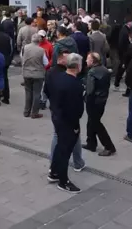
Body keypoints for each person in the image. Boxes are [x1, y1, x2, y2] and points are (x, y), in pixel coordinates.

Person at [45, 53, 85, 194]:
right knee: (65, 151)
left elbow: (48, 92)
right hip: (68, 121)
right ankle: (63, 181)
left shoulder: (57, 77)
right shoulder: (76, 84)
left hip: (57, 116)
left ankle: (54, 172)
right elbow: (77, 108)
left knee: (60, 146)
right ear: (78, 66)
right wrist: (75, 125)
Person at [83, 52, 116, 156]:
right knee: (91, 122)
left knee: (96, 123)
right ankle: (91, 143)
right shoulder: (104, 69)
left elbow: (90, 90)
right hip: (102, 99)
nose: (86, 61)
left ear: (92, 61)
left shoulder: (92, 72)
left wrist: (85, 92)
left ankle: (109, 146)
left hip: (93, 101)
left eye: (88, 59)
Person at [21, 33, 48, 119]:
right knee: (37, 93)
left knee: (28, 92)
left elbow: (22, 57)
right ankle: (34, 113)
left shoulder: (25, 48)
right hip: (38, 74)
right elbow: (46, 63)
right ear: (39, 40)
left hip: (26, 73)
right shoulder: (41, 50)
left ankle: (26, 111)